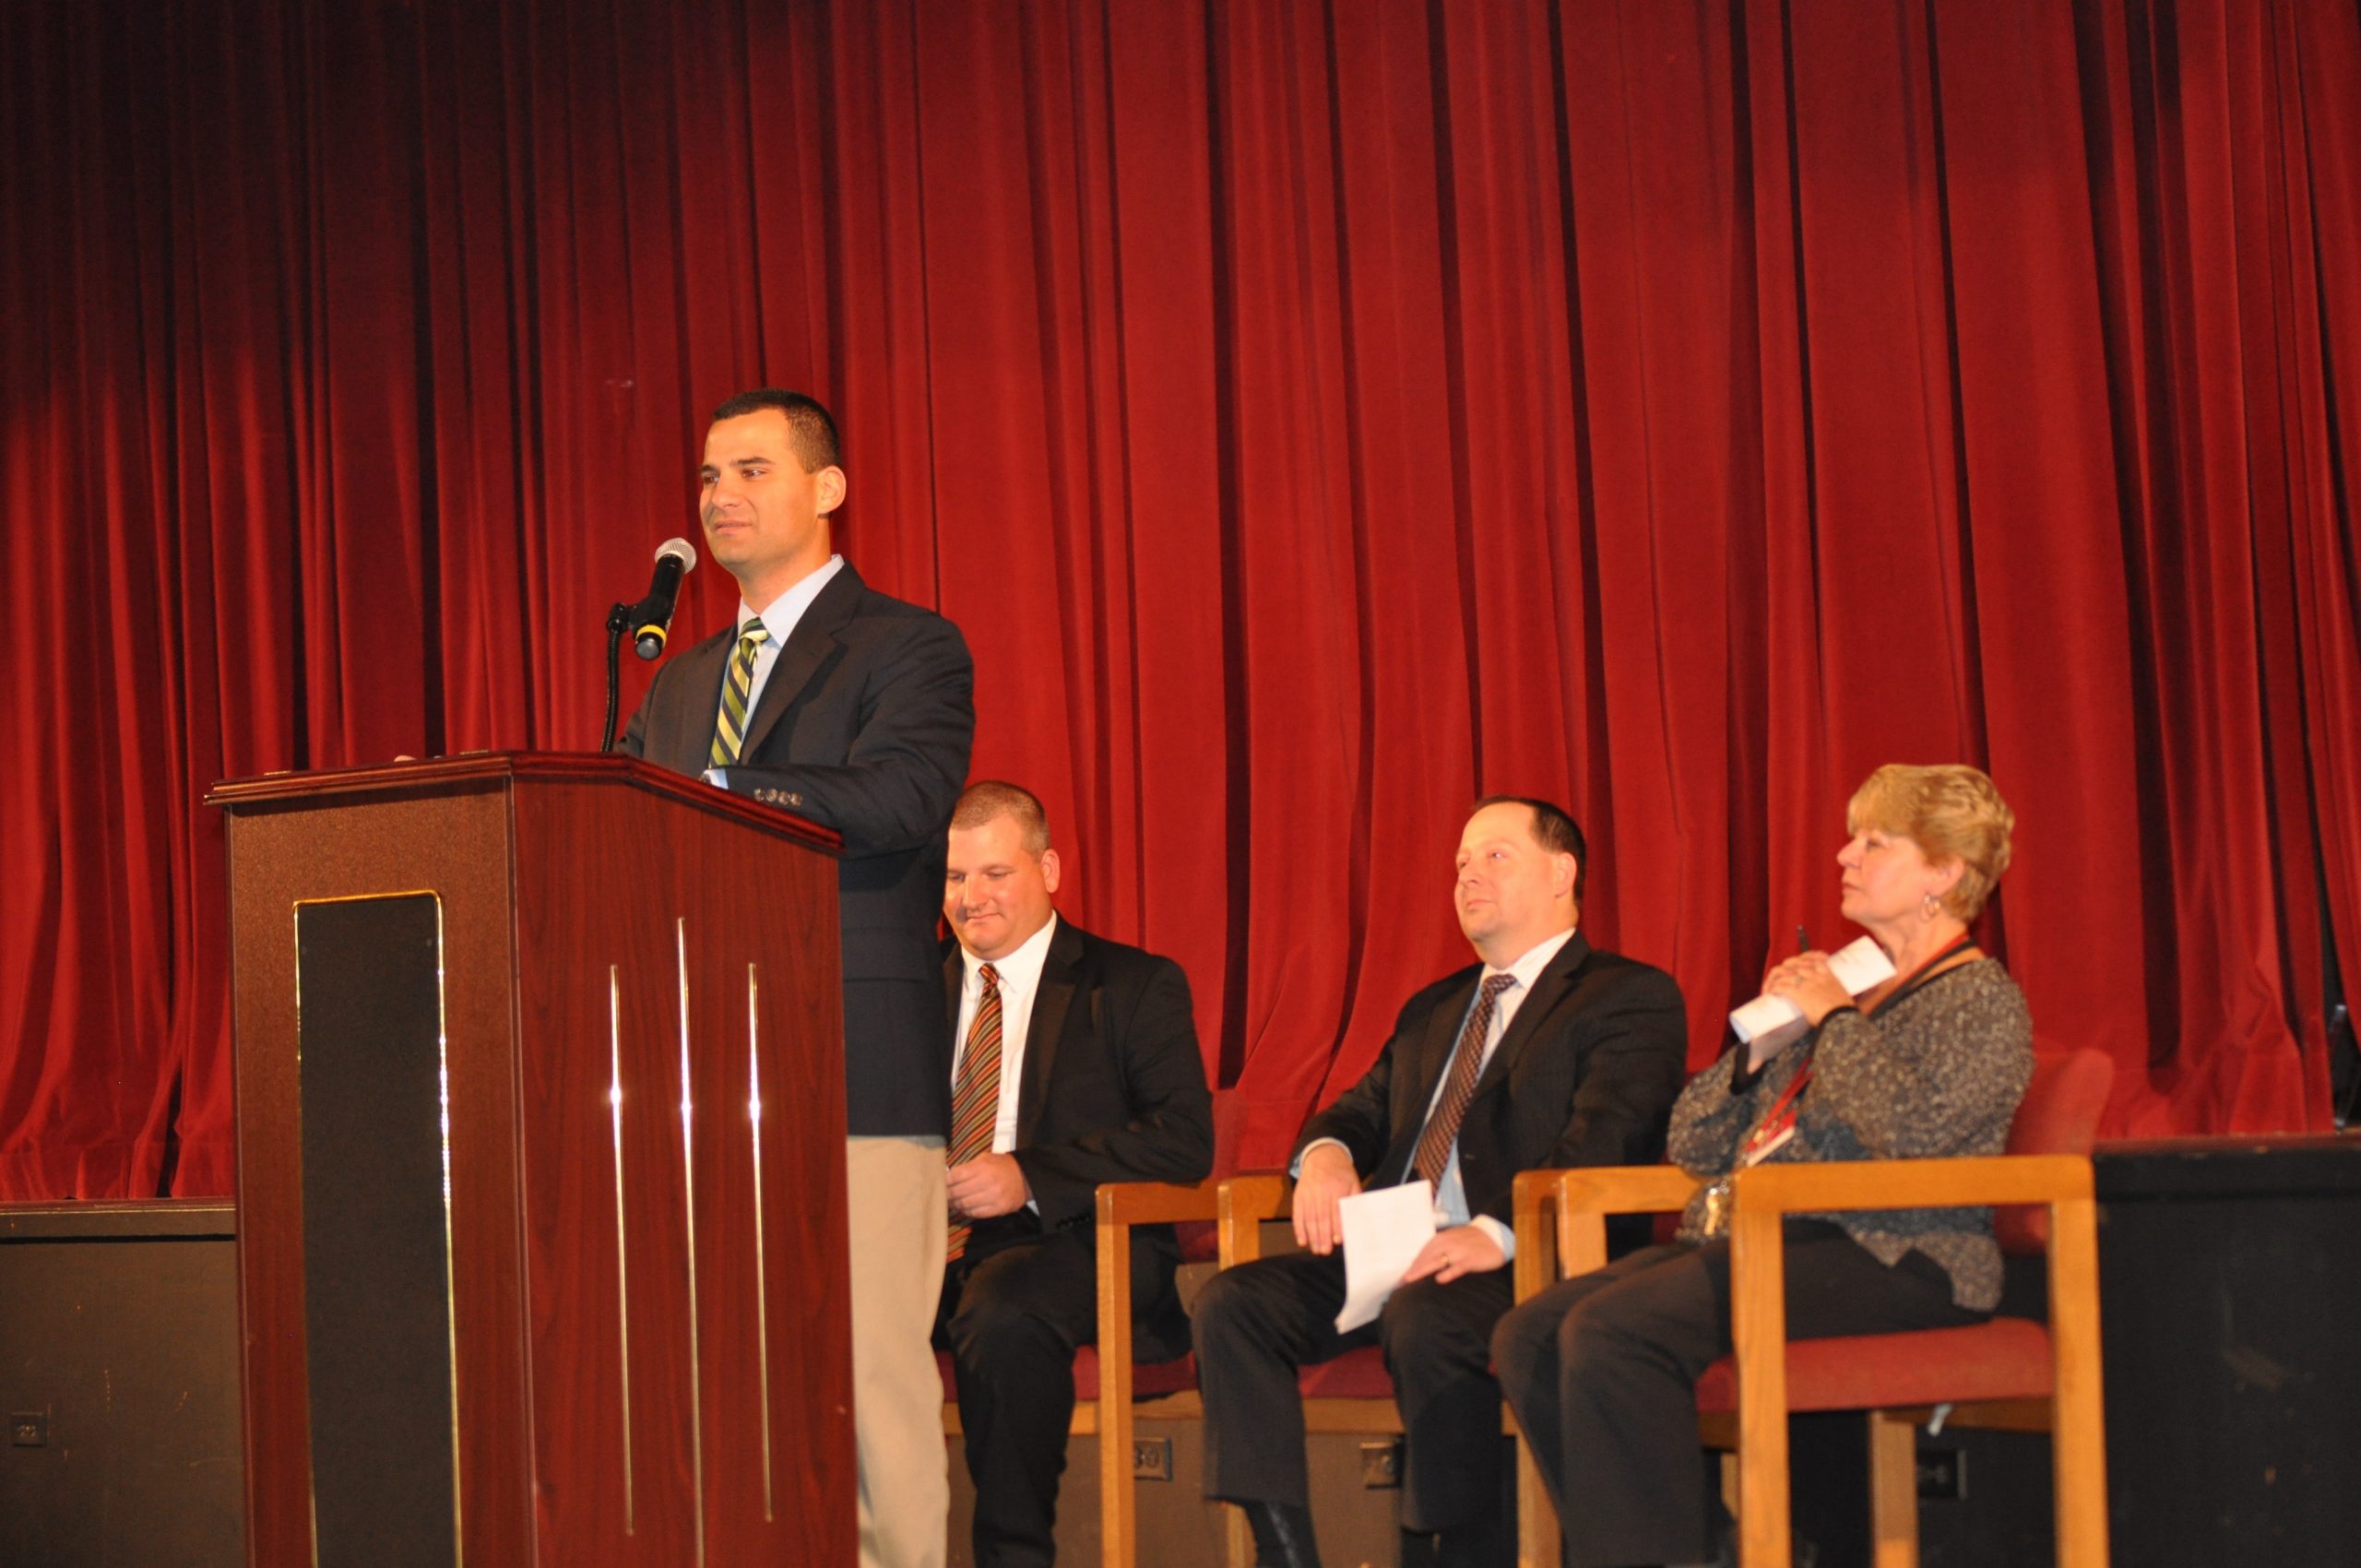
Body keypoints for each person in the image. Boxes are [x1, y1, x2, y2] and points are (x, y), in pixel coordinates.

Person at [1492, 764, 2033, 1568]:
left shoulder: (1979, 1000)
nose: (1846, 856)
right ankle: (1708, 1549)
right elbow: (1696, 1143)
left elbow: (1912, 1135)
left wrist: (1834, 1021)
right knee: (1528, 1332)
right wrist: (1764, 1044)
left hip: (1902, 1253)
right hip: (1772, 1241)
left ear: (1945, 874)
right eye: (1851, 839)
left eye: (1874, 843)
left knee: (1612, 1333)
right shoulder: (1849, 988)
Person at [620, 388, 974, 1568]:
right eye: (711, 475)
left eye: (753, 470)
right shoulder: (679, 680)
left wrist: (724, 788)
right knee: (724, 1390)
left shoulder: (907, 643)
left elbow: (900, 801)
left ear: (826, 489)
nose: (721, 496)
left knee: (869, 1380)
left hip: (851, 1064)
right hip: (697, 1075)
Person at [1192, 797, 1689, 1568]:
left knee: (1427, 1315)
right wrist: (1322, 1152)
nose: (1467, 875)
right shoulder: (1438, 1006)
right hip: (1400, 1246)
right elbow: (1359, 1110)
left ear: (1563, 874)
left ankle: (1453, 1550)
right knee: (1232, 1304)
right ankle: (1285, 1552)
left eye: (1494, 856)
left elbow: (1608, 1138)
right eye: (1460, 861)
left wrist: (1491, 1232)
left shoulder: (1626, 996)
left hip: (1533, 1255)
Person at [934, 780, 1215, 1567]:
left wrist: (1029, 1176)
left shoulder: (1130, 985)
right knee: (803, 1308)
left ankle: (1013, 1556)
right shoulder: (912, 990)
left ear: (1049, 869)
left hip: (1074, 1244)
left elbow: (1184, 1140)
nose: (971, 898)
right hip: (924, 1247)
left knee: (1002, 1310)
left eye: (994, 873)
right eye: (955, 878)